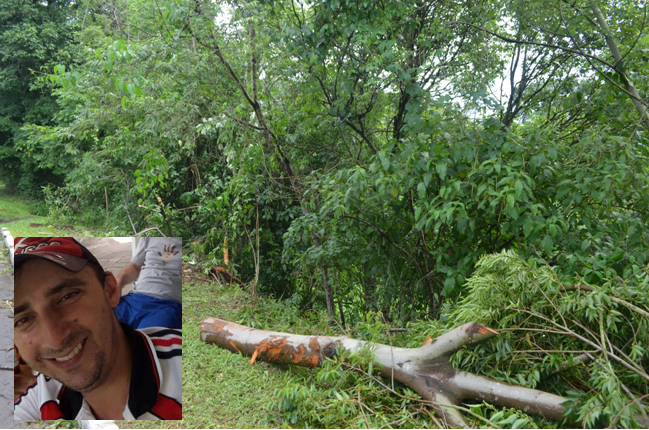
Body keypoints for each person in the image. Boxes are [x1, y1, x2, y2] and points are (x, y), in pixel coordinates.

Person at [13, 237, 182, 420]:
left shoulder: (181, 368)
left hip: (166, 302)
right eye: (23, 320)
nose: (55, 340)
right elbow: (135, 266)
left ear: (107, 290)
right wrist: (120, 284)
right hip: (137, 296)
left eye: (68, 296)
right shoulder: (33, 404)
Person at [115, 237, 182, 329]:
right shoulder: (150, 235)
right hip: (134, 298)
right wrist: (118, 283)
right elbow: (135, 266)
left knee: (146, 338)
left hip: (167, 305)